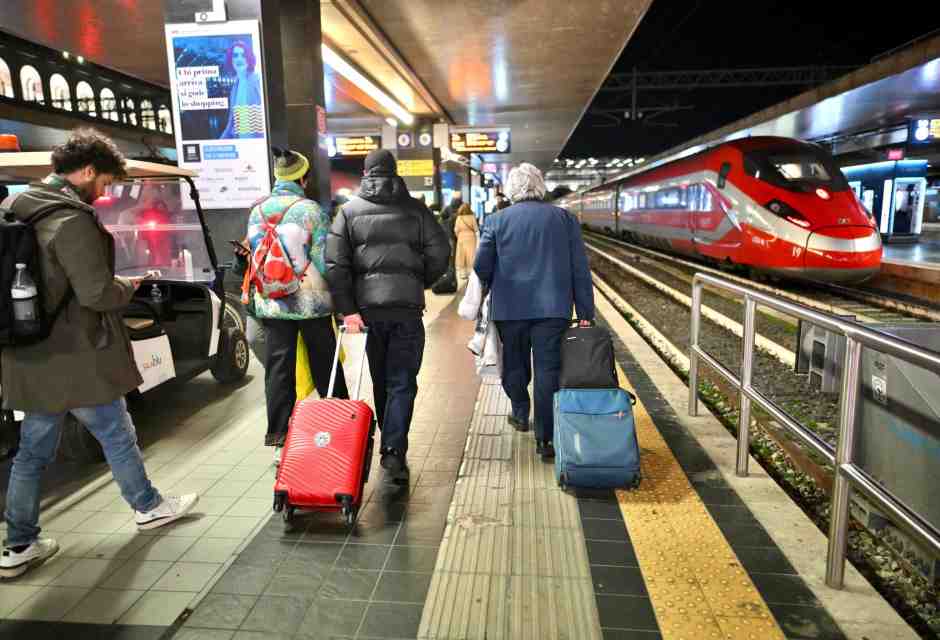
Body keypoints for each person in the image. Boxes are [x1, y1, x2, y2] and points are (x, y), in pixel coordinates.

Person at [0, 129, 199, 579]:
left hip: (26, 351)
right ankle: (148, 507)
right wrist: (128, 284)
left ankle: (19, 545)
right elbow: (96, 294)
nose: (106, 192)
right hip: (75, 355)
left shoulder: (15, 206)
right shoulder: (71, 220)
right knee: (116, 432)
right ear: (88, 170)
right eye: (106, 182)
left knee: (31, 452)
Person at [325, 149, 450, 480]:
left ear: (366, 174)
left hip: (368, 313)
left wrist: (349, 310)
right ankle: (394, 450)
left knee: (381, 378)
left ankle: (390, 440)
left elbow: (336, 265)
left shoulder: (348, 212)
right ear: (395, 173)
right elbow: (441, 252)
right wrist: (418, 281)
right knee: (402, 380)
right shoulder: (417, 210)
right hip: (406, 310)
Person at [474, 163, 594, 461]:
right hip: (553, 309)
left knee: (514, 365)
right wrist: (585, 311)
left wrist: (493, 282)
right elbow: (580, 268)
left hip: (509, 308)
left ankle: (519, 411)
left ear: (511, 189)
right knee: (547, 372)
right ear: (540, 186)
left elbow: (481, 265)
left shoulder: (496, 220)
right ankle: (546, 439)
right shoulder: (565, 219)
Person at [240, 148, 348, 461]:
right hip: (310, 302)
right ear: (303, 178)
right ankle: (340, 427)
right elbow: (323, 260)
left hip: (273, 302)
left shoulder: (257, 211)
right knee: (325, 363)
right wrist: (341, 299)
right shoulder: (311, 210)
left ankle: (280, 438)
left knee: (278, 370)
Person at [220, 40, 263, 140]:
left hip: (257, 143)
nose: (239, 59)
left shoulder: (257, 80)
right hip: (241, 143)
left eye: (243, 55)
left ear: (249, 58)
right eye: (235, 55)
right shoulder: (235, 87)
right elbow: (231, 123)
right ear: (231, 60)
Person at [454, 202, 479, 282]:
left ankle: (463, 273)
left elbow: (456, 230)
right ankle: (471, 272)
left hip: (461, 238)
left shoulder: (459, 218)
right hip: (471, 237)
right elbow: (476, 228)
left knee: (462, 255)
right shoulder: (472, 217)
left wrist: (459, 236)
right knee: (471, 254)